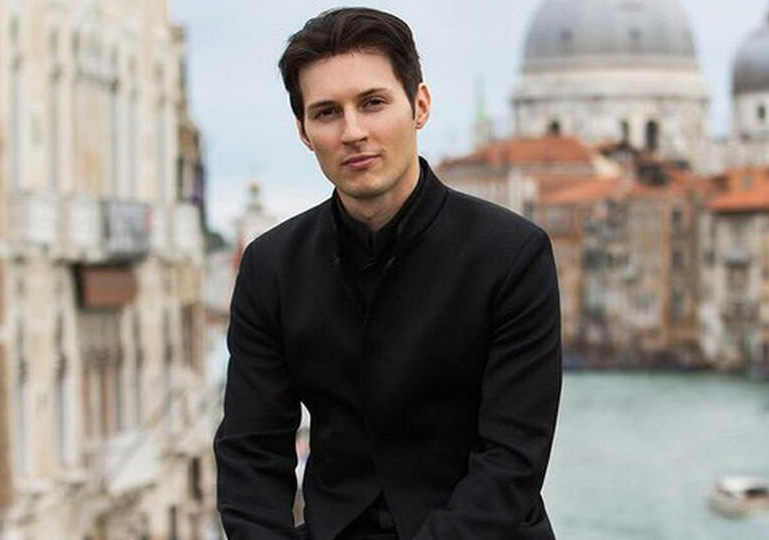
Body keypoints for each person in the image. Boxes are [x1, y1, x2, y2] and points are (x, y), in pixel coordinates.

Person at [213, 7, 562, 540]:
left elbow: (512, 462)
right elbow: (251, 454)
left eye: (373, 103)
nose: (353, 132)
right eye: (327, 112)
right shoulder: (270, 267)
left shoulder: (512, 254)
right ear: (304, 132)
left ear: (419, 106)